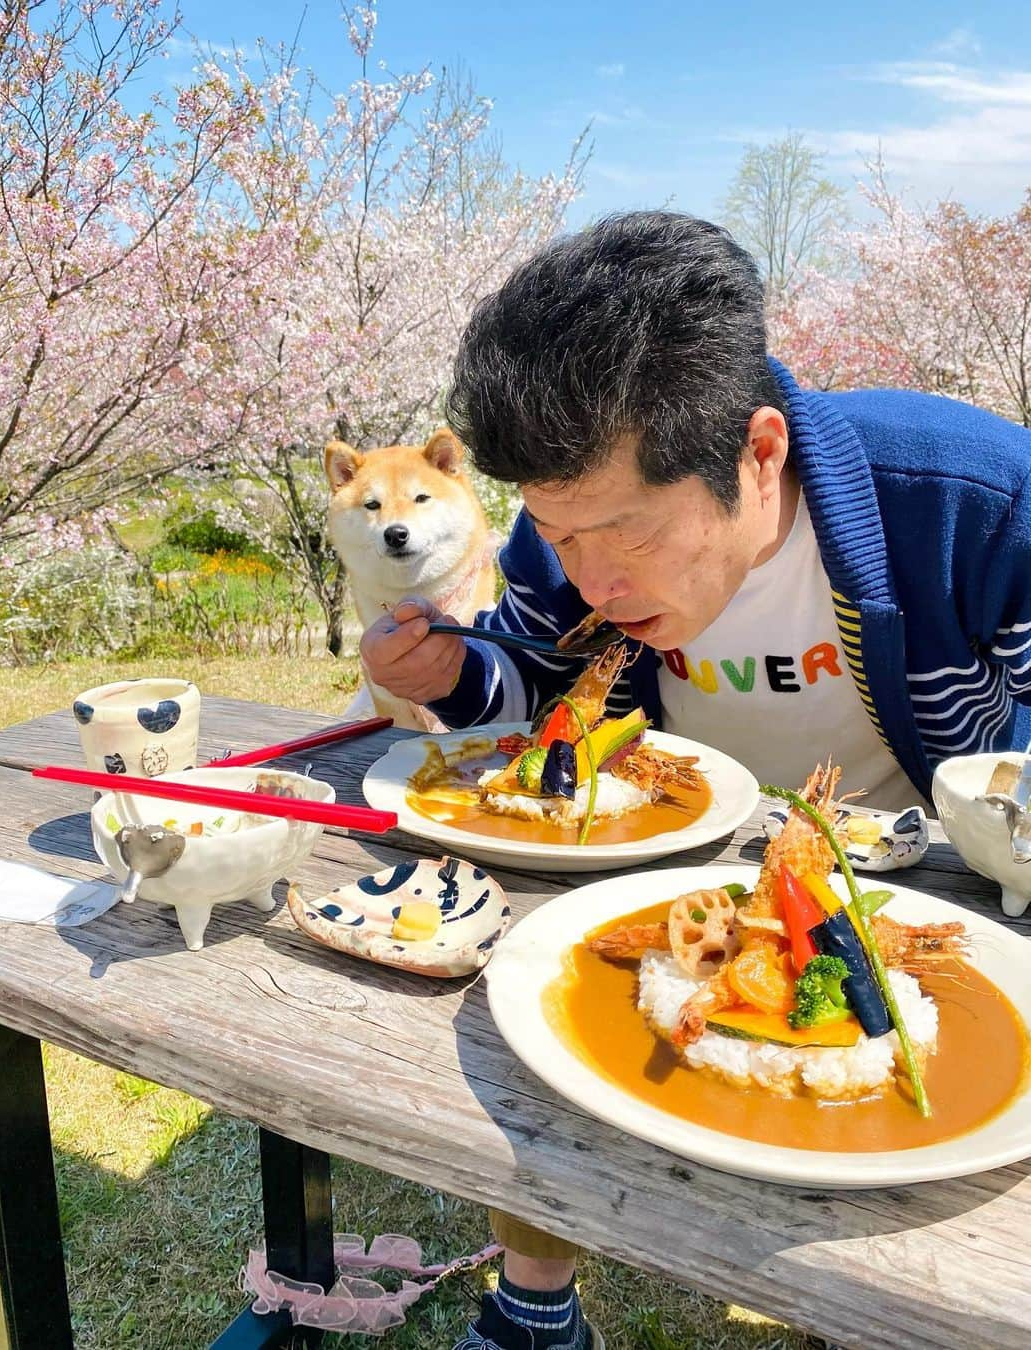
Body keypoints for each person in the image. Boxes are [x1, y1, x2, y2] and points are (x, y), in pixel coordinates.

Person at [360, 211, 1031, 1350]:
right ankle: (533, 1309)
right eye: (560, 534)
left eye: (623, 532)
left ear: (759, 449)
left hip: (937, 864)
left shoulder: (971, 499)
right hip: (667, 849)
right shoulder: (558, 542)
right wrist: (451, 674)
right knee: (532, 1020)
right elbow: (535, 690)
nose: (592, 576)